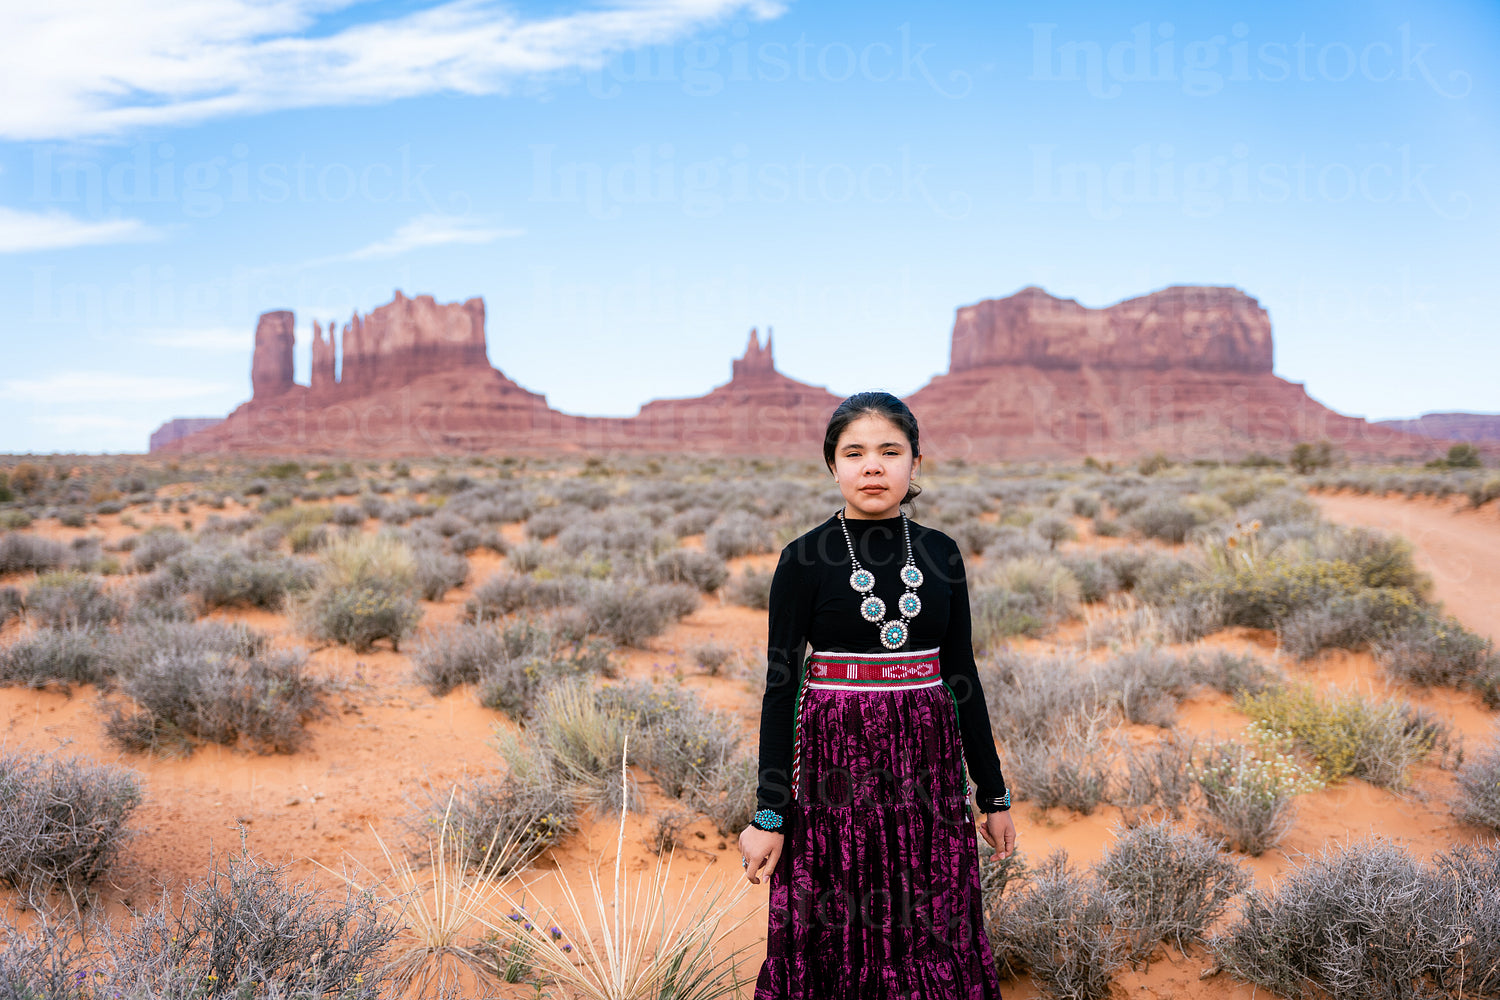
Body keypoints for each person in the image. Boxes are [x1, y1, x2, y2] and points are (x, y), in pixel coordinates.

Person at [739, 390, 1017, 1000]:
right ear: (832, 465)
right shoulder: (803, 558)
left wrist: (992, 795)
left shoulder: (942, 553)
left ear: (915, 463)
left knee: (929, 911)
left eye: (890, 451)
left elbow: (962, 673)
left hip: (929, 765)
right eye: (855, 452)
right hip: (833, 769)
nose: (873, 466)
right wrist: (768, 814)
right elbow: (780, 691)